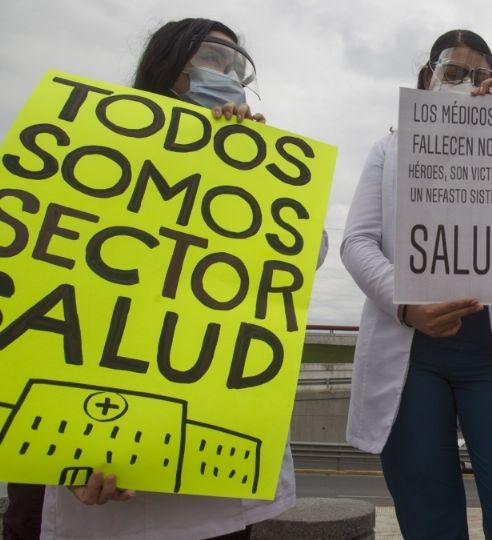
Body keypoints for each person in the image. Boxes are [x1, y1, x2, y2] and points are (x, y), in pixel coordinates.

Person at [0, 18, 321, 540]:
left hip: (209, 495)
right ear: (168, 68)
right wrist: (65, 454)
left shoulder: (253, 157)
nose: (228, 74)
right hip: (98, 467)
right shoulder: (91, 145)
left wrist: (247, 169)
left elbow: (302, 256)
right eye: (214, 59)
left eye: (237, 66)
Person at [341, 29, 492, 540]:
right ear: (427, 80)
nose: (468, 83)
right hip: (413, 354)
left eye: (481, 76)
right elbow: (357, 242)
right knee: (427, 515)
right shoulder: (387, 148)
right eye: (454, 73)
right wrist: (405, 303)